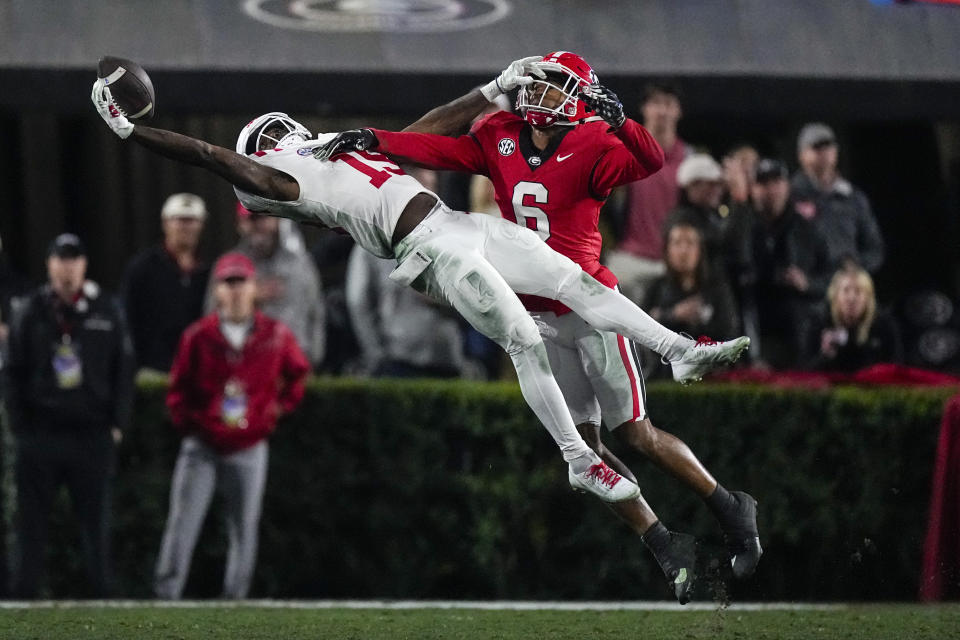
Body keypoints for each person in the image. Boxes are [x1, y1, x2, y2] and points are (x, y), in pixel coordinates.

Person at [91, 84, 750, 602]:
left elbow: (427, 130)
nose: (276, 136)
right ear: (262, 154)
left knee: (572, 278)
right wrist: (133, 130)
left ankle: (677, 348)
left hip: (458, 223)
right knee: (521, 335)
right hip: (428, 250)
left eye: (272, 130)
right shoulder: (286, 182)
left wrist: (494, 86)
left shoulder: (340, 149)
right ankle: (579, 456)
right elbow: (209, 155)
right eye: (264, 139)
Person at [319, 52, 760, 581]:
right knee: (589, 454)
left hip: (592, 307)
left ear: (579, 96)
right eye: (536, 83)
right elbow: (432, 146)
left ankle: (731, 507)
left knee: (636, 434)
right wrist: (378, 139)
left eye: (552, 85)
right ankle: (665, 544)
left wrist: (621, 121)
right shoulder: (500, 132)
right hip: (538, 313)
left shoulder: (594, 138)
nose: (536, 93)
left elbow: (650, 162)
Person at [155, 252, 310, 599]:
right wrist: (192, 425)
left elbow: (298, 374)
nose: (236, 290)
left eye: (242, 282)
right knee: (182, 524)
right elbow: (177, 389)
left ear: (255, 288)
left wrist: (275, 412)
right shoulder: (198, 336)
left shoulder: (275, 335)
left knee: (243, 530)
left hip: (249, 445)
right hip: (203, 445)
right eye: (229, 283)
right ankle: (165, 597)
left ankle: (234, 601)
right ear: (218, 291)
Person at [5, 233, 134, 598]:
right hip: (40, 433)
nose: (67, 267)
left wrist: (117, 425)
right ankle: (23, 598)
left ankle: (103, 600)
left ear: (84, 265)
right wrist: (20, 428)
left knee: (96, 525)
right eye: (61, 259)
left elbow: (123, 370)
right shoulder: (29, 309)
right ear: (49, 265)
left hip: (91, 434)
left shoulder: (107, 308)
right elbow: (12, 370)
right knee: (30, 525)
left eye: (74, 259)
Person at [739, 159, 833, 369]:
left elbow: (830, 279)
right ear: (753, 189)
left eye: (776, 183)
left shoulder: (809, 229)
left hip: (800, 325)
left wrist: (806, 283)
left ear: (787, 186)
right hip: (757, 321)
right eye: (762, 184)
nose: (770, 190)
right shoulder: (744, 225)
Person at [209, 203, 326, 369]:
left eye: (263, 218)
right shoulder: (226, 266)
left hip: (295, 362)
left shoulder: (300, 263)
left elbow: (316, 311)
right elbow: (210, 315)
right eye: (251, 219)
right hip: (243, 365)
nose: (258, 225)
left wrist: (314, 356)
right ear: (240, 224)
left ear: (277, 220)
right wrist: (246, 297)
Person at [604, 81, 689, 304]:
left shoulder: (690, 161)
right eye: (656, 103)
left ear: (678, 111)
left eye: (669, 104)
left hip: (675, 264)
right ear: (645, 108)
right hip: (628, 259)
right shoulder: (622, 152)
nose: (662, 111)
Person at [346, 243, 468, 378]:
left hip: (445, 355)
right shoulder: (370, 244)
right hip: (398, 357)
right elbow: (358, 303)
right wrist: (377, 353)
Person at [122, 192, 210, 372]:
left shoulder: (210, 272)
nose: (186, 226)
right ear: (165, 223)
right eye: (179, 220)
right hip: (152, 372)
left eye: (192, 220)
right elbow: (128, 321)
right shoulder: (142, 269)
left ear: (201, 225)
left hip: (198, 372)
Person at [644, 217, 740, 378]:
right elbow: (641, 331)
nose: (683, 250)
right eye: (677, 243)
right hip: (664, 372)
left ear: (700, 250)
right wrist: (674, 315)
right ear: (667, 250)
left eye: (690, 243)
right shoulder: (657, 288)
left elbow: (729, 332)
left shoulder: (717, 288)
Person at [791, 122, 885, 274]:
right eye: (816, 147)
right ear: (801, 155)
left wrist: (856, 266)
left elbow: (875, 249)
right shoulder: (790, 196)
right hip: (807, 290)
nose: (824, 152)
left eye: (828, 146)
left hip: (847, 287)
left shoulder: (853, 197)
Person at [803, 263, 903, 372]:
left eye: (858, 291)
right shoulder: (819, 323)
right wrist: (825, 355)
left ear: (868, 299)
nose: (851, 298)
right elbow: (804, 373)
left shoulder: (884, 325)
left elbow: (896, 368)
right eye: (846, 290)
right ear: (835, 296)